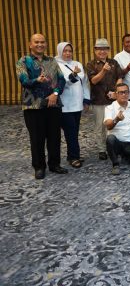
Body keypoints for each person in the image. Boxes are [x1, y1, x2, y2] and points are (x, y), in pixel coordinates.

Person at [17, 33, 68, 179]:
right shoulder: (23, 61)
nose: (40, 44)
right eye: (36, 42)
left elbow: (61, 79)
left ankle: (54, 164)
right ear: (30, 44)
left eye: (42, 42)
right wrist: (37, 80)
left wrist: (55, 93)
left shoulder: (52, 60)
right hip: (33, 106)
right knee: (37, 138)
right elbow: (24, 81)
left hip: (53, 104)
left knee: (54, 137)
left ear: (46, 44)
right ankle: (39, 167)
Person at [86, 38, 123, 161]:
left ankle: (113, 147)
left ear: (108, 50)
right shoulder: (91, 64)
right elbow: (94, 80)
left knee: (114, 123)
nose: (102, 51)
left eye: (105, 49)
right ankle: (102, 149)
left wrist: (116, 92)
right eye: (99, 49)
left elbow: (120, 77)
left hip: (113, 101)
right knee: (100, 126)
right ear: (95, 50)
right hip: (98, 100)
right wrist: (103, 70)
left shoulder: (114, 62)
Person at [56, 42, 90, 168]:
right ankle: (74, 157)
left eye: (70, 51)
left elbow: (84, 82)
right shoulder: (56, 65)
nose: (68, 53)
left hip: (77, 103)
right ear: (60, 52)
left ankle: (72, 154)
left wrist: (86, 99)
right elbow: (61, 84)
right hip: (65, 104)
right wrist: (73, 75)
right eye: (65, 51)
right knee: (70, 131)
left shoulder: (77, 64)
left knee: (74, 131)